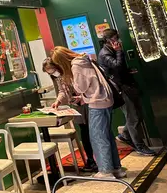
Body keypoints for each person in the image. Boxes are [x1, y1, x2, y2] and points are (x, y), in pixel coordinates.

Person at [50, 46, 125, 179]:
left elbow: (81, 87)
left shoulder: (76, 66)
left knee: (98, 137)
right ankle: (116, 168)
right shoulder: (84, 59)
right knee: (107, 135)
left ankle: (106, 171)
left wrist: (73, 81)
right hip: (104, 99)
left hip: (97, 102)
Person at [98, 29, 156, 156]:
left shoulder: (112, 50)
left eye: (117, 37)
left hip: (128, 85)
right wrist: (119, 51)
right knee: (133, 117)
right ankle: (139, 146)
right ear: (108, 40)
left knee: (139, 115)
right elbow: (117, 66)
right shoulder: (104, 54)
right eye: (115, 38)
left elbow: (120, 69)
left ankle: (124, 134)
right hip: (120, 89)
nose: (118, 40)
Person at [42, 57, 97, 172]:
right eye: (49, 72)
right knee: (84, 132)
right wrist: (58, 101)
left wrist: (80, 97)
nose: (52, 73)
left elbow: (82, 87)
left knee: (93, 131)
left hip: (87, 103)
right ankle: (91, 160)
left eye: (52, 70)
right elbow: (62, 91)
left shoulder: (70, 72)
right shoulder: (58, 78)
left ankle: (98, 160)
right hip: (77, 106)